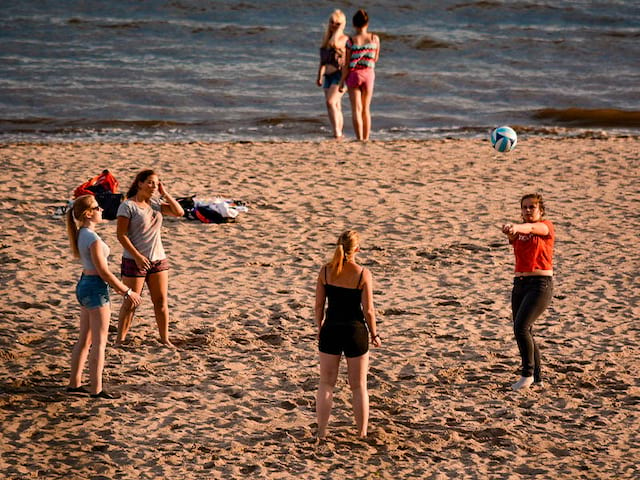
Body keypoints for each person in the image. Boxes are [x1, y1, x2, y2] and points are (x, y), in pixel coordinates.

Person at [66, 195, 142, 398]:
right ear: (88, 213)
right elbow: (104, 272)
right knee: (99, 342)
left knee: (85, 339)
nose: (101, 210)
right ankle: (97, 389)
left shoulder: (82, 233)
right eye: (98, 208)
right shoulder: (91, 238)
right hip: (95, 288)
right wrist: (127, 291)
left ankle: (74, 383)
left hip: (84, 285)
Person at [314, 230, 381, 439]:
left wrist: (319, 327)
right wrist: (374, 333)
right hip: (355, 330)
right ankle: (361, 433)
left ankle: (322, 432)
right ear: (357, 250)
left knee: (326, 383)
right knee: (359, 386)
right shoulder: (362, 274)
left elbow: (318, 306)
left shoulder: (326, 271)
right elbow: (368, 310)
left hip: (331, 329)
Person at [116, 170, 184, 347]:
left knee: (161, 302)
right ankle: (119, 340)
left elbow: (179, 212)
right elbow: (121, 235)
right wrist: (137, 256)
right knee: (131, 302)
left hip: (158, 260)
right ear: (139, 183)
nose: (153, 186)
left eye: (156, 183)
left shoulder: (155, 204)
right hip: (134, 260)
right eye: (150, 182)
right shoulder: (128, 206)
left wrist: (165, 193)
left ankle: (164, 338)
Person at [501, 193, 555, 391]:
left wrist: (516, 227)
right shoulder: (519, 232)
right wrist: (509, 231)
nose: (528, 210)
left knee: (521, 328)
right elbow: (515, 236)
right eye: (524, 207)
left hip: (540, 284)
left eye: (532, 207)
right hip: (520, 283)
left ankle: (527, 375)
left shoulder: (546, 226)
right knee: (526, 330)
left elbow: (532, 227)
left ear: (540, 210)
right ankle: (538, 378)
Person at [338, 9, 380, 141]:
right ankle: (366, 139)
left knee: (356, 109)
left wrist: (341, 82)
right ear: (367, 23)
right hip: (368, 74)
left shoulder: (350, 41)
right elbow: (375, 59)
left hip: (354, 75)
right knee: (366, 109)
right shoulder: (375, 39)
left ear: (354, 24)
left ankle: (359, 138)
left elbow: (346, 64)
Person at [316, 9, 349, 139]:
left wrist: (338, 31)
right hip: (328, 76)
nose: (333, 25)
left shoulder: (343, 39)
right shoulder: (326, 39)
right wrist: (319, 76)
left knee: (331, 102)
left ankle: (337, 133)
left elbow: (334, 44)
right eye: (331, 22)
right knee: (334, 105)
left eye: (337, 23)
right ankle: (337, 131)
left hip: (340, 75)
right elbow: (322, 61)